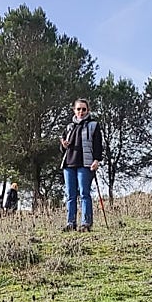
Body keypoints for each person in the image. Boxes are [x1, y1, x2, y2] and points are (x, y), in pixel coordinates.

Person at [59, 99, 103, 232]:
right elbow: (62, 149)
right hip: (69, 164)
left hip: (85, 164)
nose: (81, 112)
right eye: (78, 109)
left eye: (83, 109)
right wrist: (63, 145)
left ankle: (86, 223)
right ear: (74, 110)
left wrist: (97, 160)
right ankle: (70, 223)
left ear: (88, 110)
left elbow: (98, 145)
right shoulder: (69, 127)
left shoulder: (93, 125)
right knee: (70, 195)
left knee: (84, 193)